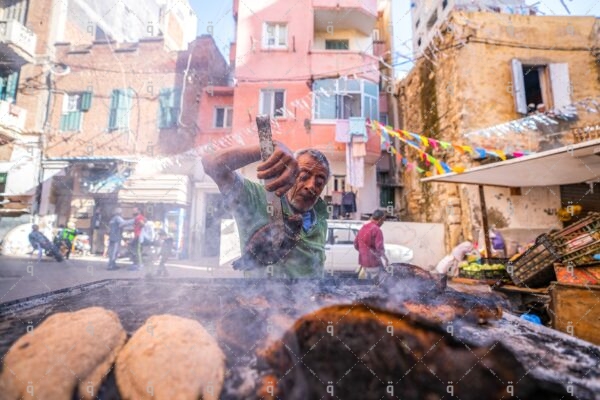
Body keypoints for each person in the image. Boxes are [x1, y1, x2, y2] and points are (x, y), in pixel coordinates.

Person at [201, 143, 330, 278]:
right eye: (303, 177)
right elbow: (211, 164)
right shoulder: (257, 198)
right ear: (288, 173)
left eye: (319, 183)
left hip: (308, 298)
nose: (311, 186)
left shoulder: (320, 219)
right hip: (261, 297)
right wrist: (267, 147)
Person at [354, 210, 389, 280]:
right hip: (373, 263)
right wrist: (385, 259)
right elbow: (379, 247)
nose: (383, 222)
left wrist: (363, 252)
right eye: (383, 220)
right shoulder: (377, 230)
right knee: (376, 285)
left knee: (366, 285)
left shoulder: (363, 228)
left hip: (363, 263)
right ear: (380, 219)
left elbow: (355, 244)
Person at [128, 207, 146, 271]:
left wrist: (141, 225)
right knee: (135, 249)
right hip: (137, 235)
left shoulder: (139, 217)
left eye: (134, 210)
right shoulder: (138, 217)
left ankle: (139, 264)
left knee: (137, 251)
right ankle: (137, 263)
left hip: (138, 236)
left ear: (138, 211)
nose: (133, 211)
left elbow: (143, 224)